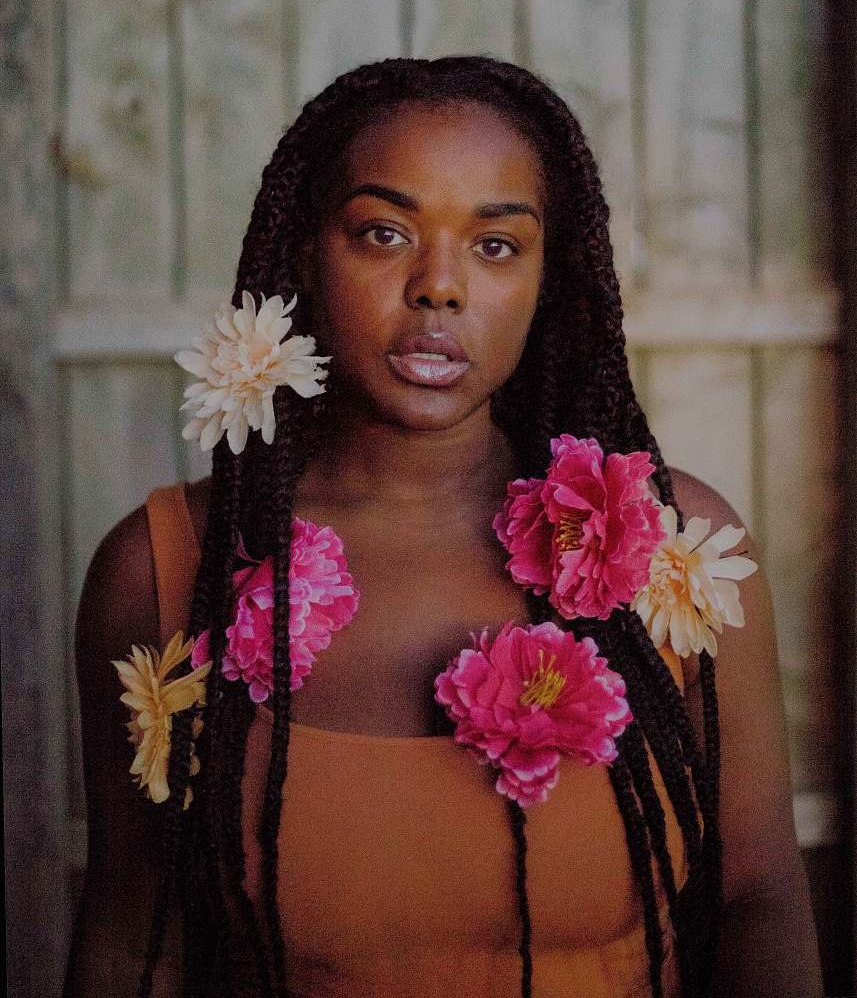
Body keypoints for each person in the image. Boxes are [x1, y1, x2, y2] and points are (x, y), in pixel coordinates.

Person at [64, 55, 823, 998]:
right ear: (305, 251)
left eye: (496, 245)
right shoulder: (163, 571)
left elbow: (757, 897)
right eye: (383, 233)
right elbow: (134, 935)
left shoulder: (675, 555)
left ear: (550, 277)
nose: (439, 287)